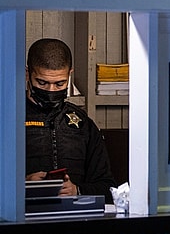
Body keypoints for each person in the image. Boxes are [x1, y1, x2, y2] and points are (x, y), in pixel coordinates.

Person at [25, 38, 115, 201]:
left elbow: (107, 187)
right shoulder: (8, 119)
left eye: (60, 84)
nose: (51, 90)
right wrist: (21, 185)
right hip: (20, 214)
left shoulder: (83, 124)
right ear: (27, 74)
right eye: (42, 83)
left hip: (75, 213)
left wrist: (77, 191)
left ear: (69, 75)